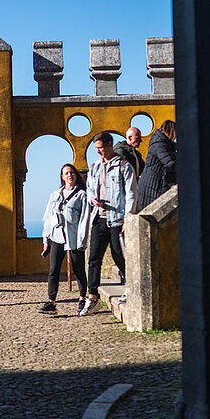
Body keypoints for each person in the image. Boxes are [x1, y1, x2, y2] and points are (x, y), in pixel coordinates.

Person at [81, 131, 138, 316]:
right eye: (96, 149)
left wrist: (127, 219)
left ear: (109, 145)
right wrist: (93, 199)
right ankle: (92, 295)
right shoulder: (95, 167)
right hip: (99, 217)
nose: (98, 152)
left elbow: (131, 194)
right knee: (94, 258)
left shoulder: (123, 166)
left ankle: (130, 288)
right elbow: (89, 189)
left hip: (118, 219)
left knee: (119, 255)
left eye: (101, 148)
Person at [38, 164, 91, 314]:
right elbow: (48, 217)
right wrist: (45, 239)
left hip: (74, 238)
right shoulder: (55, 195)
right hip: (57, 236)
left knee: (79, 269)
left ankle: (82, 298)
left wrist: (82, 240)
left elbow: (84, 219)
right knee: (53, 270)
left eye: (72, 172)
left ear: (76, 175)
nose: (70, 175)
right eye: (66, 173)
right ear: (62, 176)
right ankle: (51, 301)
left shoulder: (82, 195)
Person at [138, 120, 176, 209]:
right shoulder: (160, 144)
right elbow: (169, 163)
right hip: (153, 185)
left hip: (155, 183)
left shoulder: (163, 143)